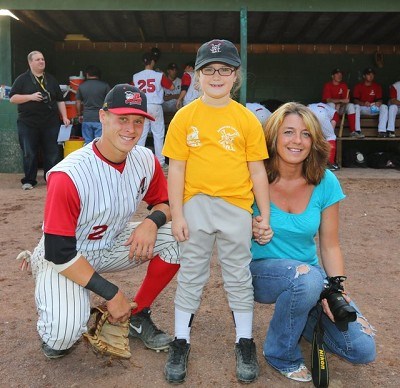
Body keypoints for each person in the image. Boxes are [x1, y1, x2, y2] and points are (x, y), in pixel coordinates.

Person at [22, 84, 180, 359]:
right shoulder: (68, 175)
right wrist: (111, 293)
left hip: (112, 242)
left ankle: (138, 315)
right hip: (65, 257)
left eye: (137, 121)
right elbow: (60, 251)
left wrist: (152, 221)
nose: (130, 129)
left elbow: (166, 204)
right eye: (122, 119)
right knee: (63, 338)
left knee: (181, 236)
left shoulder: (145, 159)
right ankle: (54, 299)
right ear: (103, 117)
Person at [162, 39, 273, 384]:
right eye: (209, 70)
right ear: (196, 77)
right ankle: (181, 340)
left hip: (236, 206)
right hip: (195, 205)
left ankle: (244, 340)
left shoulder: (246, 118)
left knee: (238, 274)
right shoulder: (184, 116)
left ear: (235, 76)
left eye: (225, 70)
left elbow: (257, 171)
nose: (216, 76)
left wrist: (263, 215)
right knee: (192, 271)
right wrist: (177, 215)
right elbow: (176, 169)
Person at [250, 102, 376, 383]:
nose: (297, 141)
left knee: (362, 349)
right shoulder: (252, 175)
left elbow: (330, 245)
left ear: (314, 141)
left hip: (310, 279)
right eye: (289, 132)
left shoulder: (325, 181)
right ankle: (281, 352)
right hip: (257, 271)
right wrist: (247, 225)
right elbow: (221, 221)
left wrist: (337, 291)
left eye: (306, 134)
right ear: (272, 136)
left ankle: (304, 318)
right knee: (305, 279)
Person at [9, 50, 70, 190]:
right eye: (37, 59)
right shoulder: (22, 79)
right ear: (30, 62)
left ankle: (51, 178)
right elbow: (13, 98)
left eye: (42, 59)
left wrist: (65, 117)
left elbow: (60, 100)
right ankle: (29, 180)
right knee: (29, 152)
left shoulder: (51, 79)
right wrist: (30, 97)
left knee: (53, 152)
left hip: (50, 122)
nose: (41, 61)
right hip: (28, 123)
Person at [133, 52, 174, 168]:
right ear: (152, 62)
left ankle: (138, 160)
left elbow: (132, 90)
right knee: (158, 134)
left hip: (142, 106)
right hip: (155, 106)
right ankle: (160, 161)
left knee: (141, 134)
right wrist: (162, 75)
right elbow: (171, 87)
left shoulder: (136, 76)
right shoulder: (158, 75)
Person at [76, 65, 110, 144]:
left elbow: (78, 102)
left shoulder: (82, 86)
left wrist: (79, 114)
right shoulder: (105, 86)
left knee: (87, 143)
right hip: (100, 119)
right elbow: (109, 102)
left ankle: (88, 156)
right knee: (100, 143)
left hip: (87, 118)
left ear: (87, 74)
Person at [322, 68, 360, 138]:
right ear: (332, 76)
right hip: (330, 111)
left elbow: (347, 101)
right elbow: (328, 100)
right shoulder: (328, 85)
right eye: (337, 74)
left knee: (351, 106)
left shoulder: (343, 85)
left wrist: (341, 103)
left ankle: (353, 132)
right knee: (331, 104)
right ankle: (330, 130)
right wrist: (340, 101)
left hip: (340, 108)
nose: (339, 76)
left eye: (341, 74)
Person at [353, 68, 389, 138]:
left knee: (384, 107)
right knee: (355, 107)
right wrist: (363, 103)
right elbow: (355, 100)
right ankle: (357, 131)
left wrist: (379, 103)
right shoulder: (358, 86)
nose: (371, 76)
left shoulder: (377, 86)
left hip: (373, 108)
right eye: (368, 74)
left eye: (372, 74)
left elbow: (380, 100)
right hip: (363, 108)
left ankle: (381, 131)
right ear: (364, 76)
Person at [307, 102, 340, 171]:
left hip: (307, 113)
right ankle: (330, 163)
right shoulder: (334, 112)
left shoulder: (312, 105)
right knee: (331, 137)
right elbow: (331, 129)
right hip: (321, 114)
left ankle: (308, 162)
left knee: (308, 136)